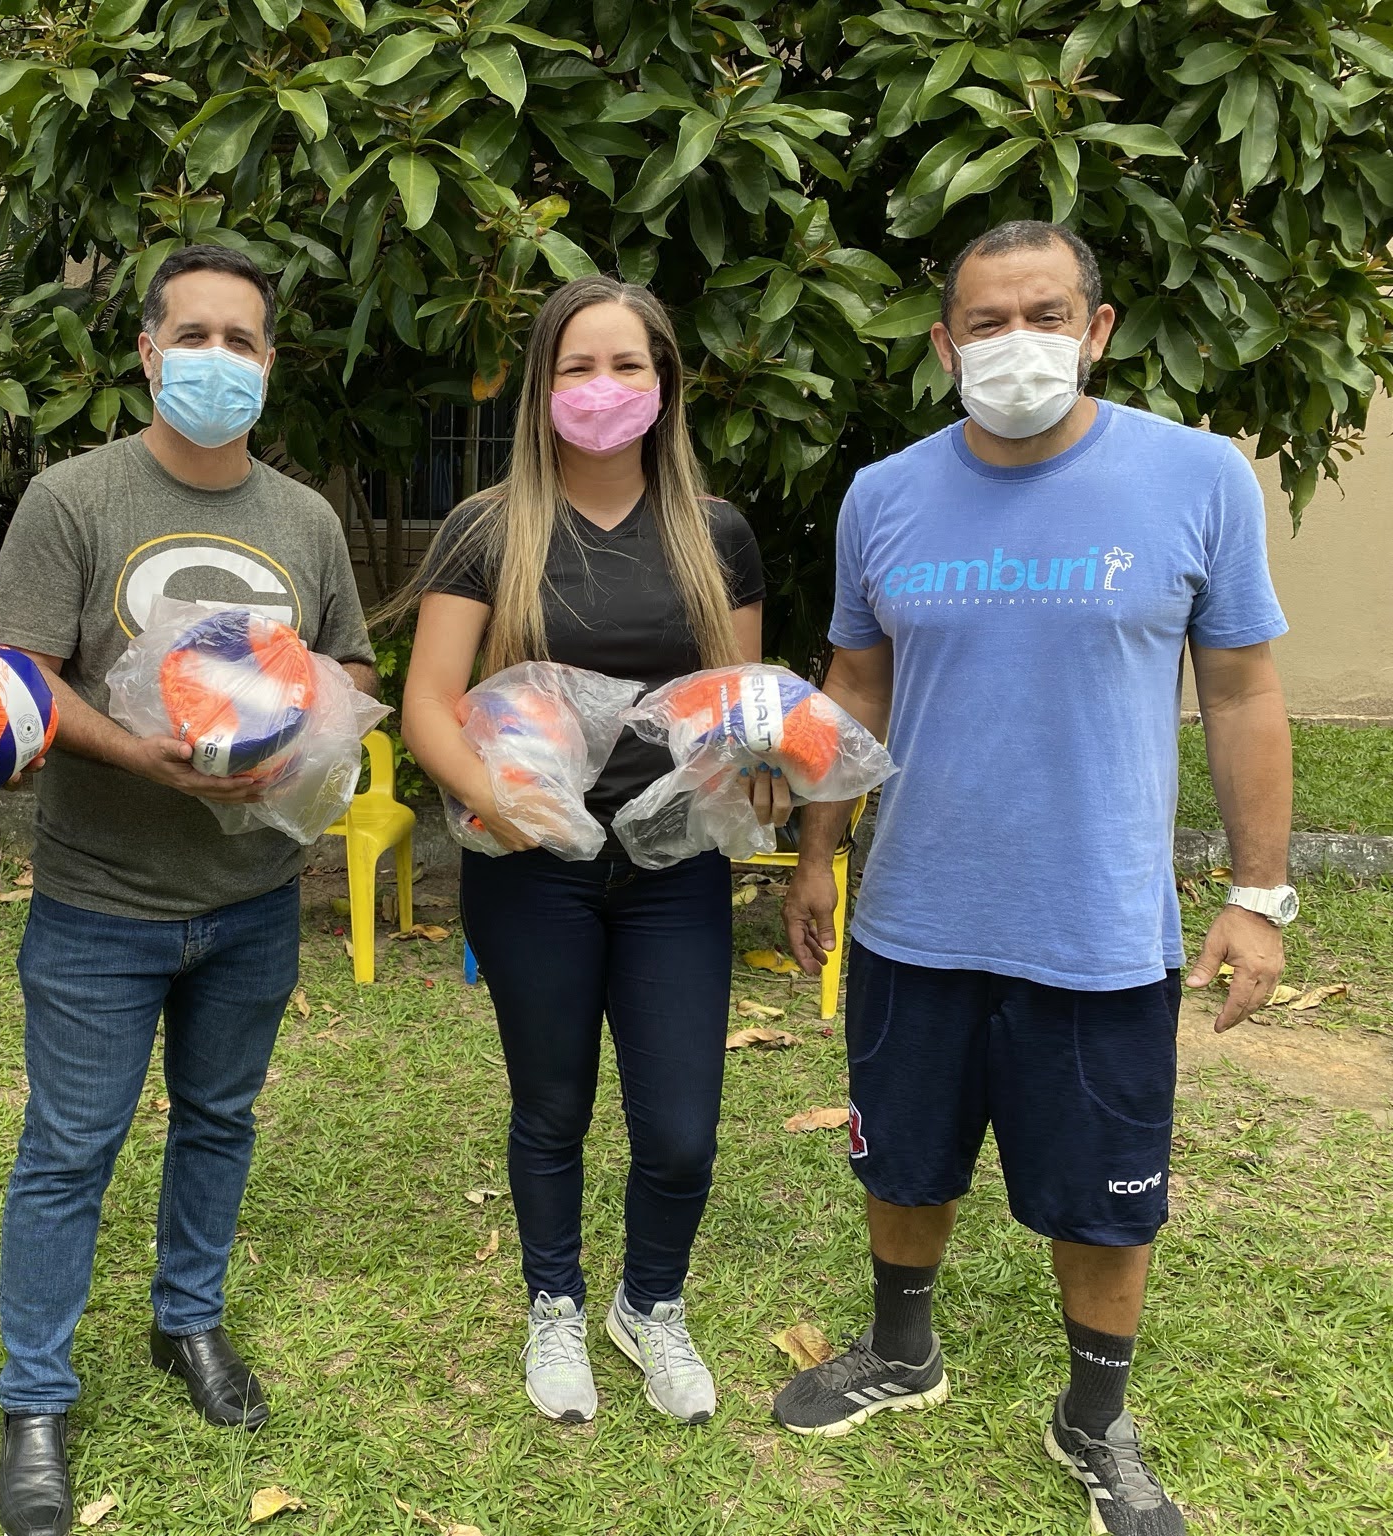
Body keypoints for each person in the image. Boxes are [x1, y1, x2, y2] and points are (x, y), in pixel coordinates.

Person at [773, 220, 1293, 1535]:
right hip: (914, 916)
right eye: (987, 321)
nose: (1017, 342)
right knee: (902, 1160)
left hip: (1098, 926)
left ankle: (1094, 1420)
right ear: (944, 345)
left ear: (1096, 329)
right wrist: (817, 852)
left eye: (1046, 314)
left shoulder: (1197, 478)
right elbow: (855, 685)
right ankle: (901, 1353)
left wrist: (1257, 895)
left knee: (1107, 1198)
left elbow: (1241, 690)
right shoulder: (884, 495)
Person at [0, 244, 378, 1536]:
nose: (217, 359)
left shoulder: (305, 521)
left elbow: (351, 666)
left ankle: (186, 1321)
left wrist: (299, 721)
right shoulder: (74, 499)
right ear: (148, 355)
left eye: (240, 341)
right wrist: (135, 749)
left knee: (218, 1120)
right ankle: (35, 1398)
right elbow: (16, 678)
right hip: (102, 898)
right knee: (69, 1148)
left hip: (254, 894)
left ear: (269, 364)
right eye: (192, 335)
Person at [397, 275, 782, 1427]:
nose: (602, 388)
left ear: (663, 385)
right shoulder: (487, 528)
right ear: (541, 387)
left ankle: (647, 1305)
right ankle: (553, 1303)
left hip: (674, 872)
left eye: (626, 365)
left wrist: (766, 759)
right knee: (551, 1106)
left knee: (680, 1130)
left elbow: (734, 702)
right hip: (531, 871)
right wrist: (495, 802)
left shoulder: (713, 533)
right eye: (577, 366)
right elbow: (427, 703)